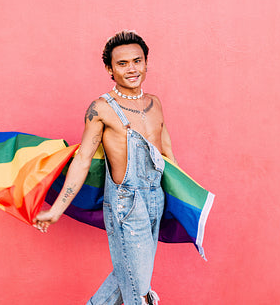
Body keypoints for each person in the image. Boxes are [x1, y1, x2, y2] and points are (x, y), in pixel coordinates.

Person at [33, 30, 177, 305]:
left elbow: (167, 152)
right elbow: (83, 158)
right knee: (139, 290)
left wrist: (181, 202)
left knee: (130, 275)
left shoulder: (155, 103)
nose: (132, 69)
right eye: (122, 64)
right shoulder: (101, 109)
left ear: (146, 63)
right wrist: (56, 210)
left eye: (137, 61)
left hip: (155, 198)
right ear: (109, 69)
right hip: (126, 204)